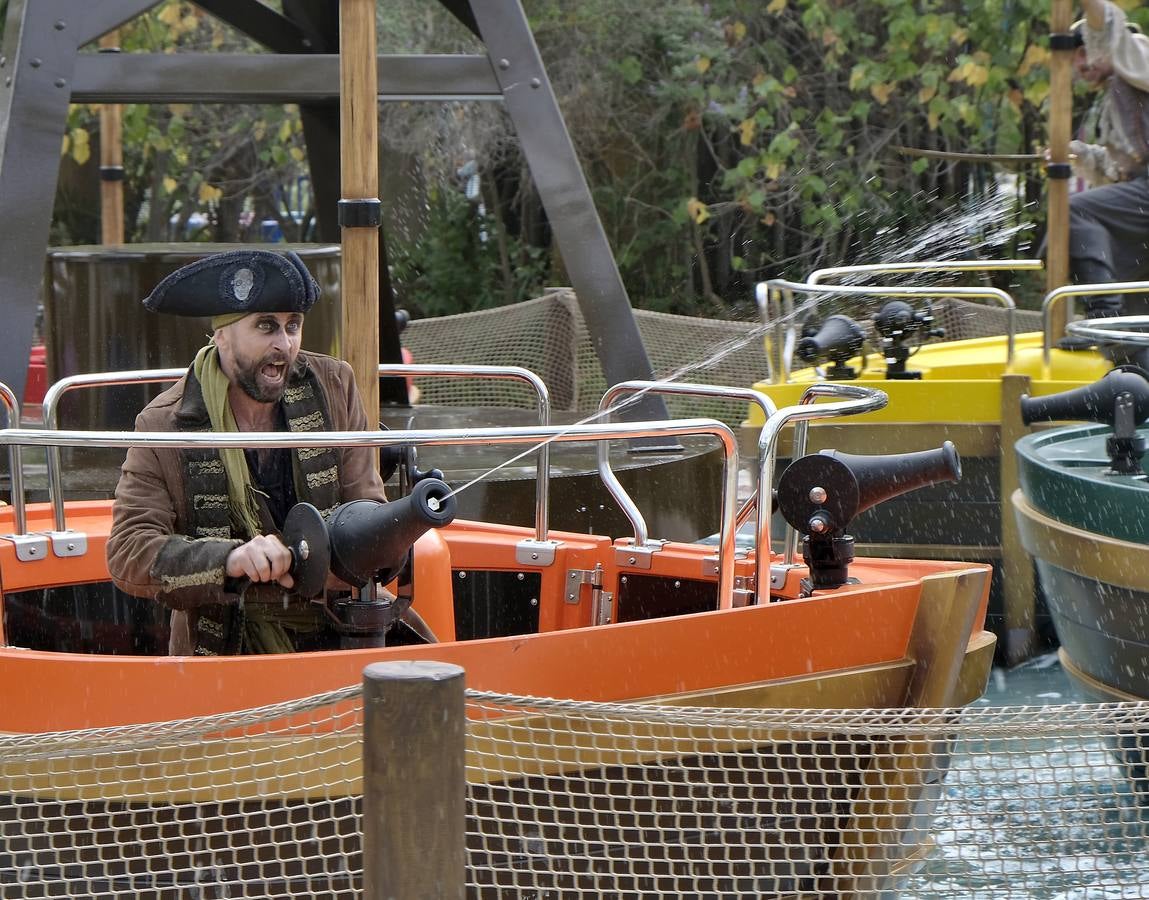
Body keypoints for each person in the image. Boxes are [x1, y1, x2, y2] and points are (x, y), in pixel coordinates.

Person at [107, 249, 398, 656]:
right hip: (223, 648)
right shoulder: (162, 425)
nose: (284, 344)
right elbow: (129, 552)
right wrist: (232, 559)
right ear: (221, 335)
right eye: (266, 327)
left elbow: (366, 508)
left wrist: (382, 534)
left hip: (342, 630)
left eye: (292, 326)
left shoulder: (334, 385)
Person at [1062, 0, 1149, 333]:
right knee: (1136, 313)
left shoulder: (1137, 51)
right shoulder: (1122, 89)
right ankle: (1132, 372)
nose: (1080, 66)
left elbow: (1106, 24)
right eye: (1075, 60)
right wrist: (1078, 155)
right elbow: (1121, 168)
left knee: (1073, 213)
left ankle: (1103, 320)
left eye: (1084, 53)